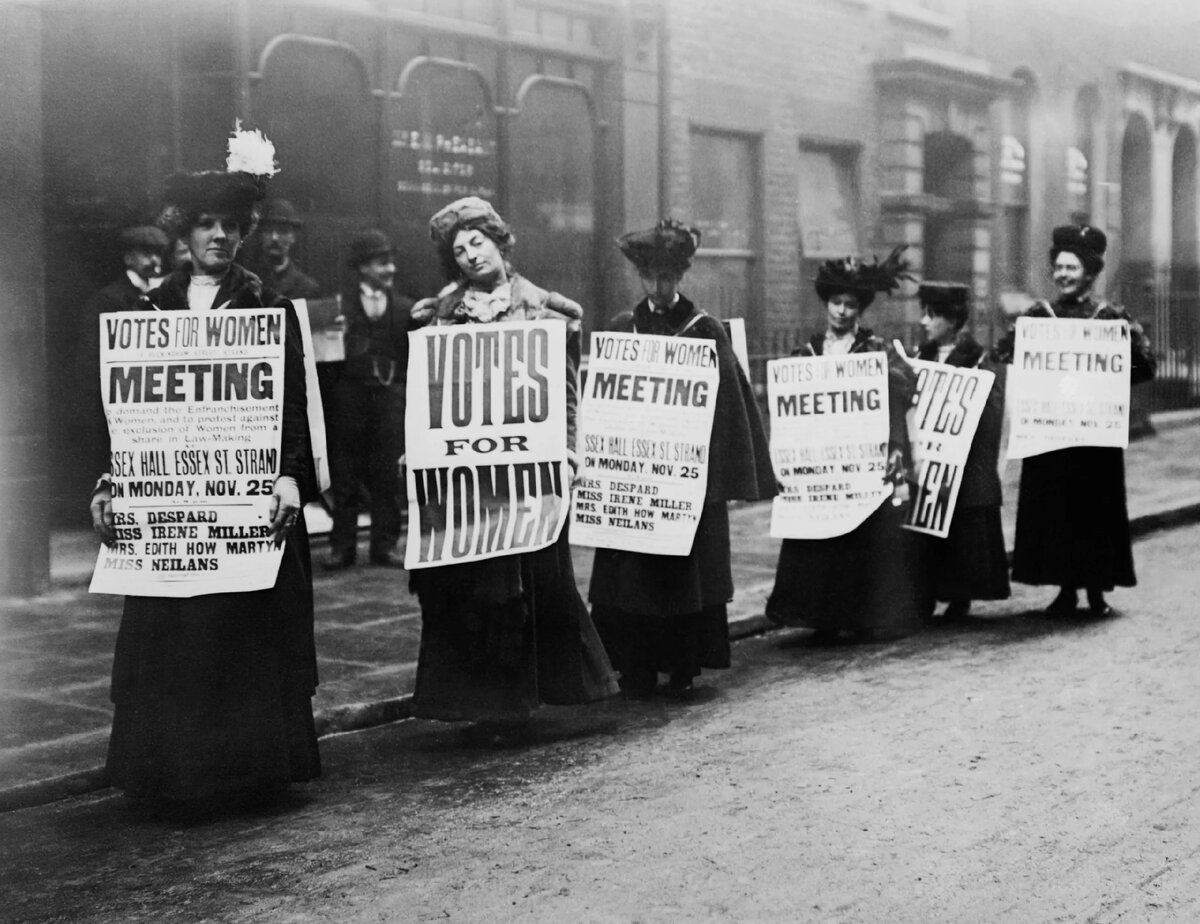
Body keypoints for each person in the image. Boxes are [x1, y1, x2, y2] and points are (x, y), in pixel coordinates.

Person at [88, 127, 321, 811]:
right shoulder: (147, 311)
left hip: (245, 503)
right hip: (173, 506)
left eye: (230, 225)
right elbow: (122, 414)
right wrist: (109, 481)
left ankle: (245, 774)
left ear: (245, 233)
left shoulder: (268, 309)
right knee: (176, 635)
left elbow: (294, 408)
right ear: (182, 234)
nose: (218, 236)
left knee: (240, 634)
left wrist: (290, 477)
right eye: (205, 224)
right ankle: (171, 771)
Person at [407, 196, 617, 737]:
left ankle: (533, 697)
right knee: (472, 586)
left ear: (500, 243)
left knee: (534, 582)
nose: (471, 255)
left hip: (530, 474)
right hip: (467, 478)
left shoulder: (547, 313)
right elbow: (429, 393)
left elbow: (566, 394)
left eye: (478, 242)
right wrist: (418, 443)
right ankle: (485, 703)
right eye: (459, 250)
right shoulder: (443, 314)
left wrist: (570, 449)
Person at [588, 219, 776, 696]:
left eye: (669, 278)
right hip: (635, 478)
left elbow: (731, 410)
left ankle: (682, 666)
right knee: (634, 578)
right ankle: (635, 667)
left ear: (682, 277)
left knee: (681, 578)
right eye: (651, 278)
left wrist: (709, 474)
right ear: (641, 279)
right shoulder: (621, 329)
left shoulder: (705, 331)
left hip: (686, 483)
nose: (660, 287)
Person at [993, 224, 1156, 618]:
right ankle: (1065, 589)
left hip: (1094, 438)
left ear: (1090, 271)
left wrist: (1115, 368)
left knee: (1094, 509)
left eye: (1072, 267)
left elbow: (1145, 365)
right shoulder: (1038, 315)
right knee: (1057, 510)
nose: (1063, 274)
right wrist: (1023, 345)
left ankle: (1097, 589)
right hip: (1051, 434)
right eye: (1059, 267)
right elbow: (1005, 351)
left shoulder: (1111, 318)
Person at [765, 249, 924, 642]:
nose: (841, 311)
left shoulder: (875, 351)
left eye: (850, 304)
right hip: (820, 464)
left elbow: (906, 388)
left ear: (860, 309)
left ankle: (860, 615)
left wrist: (888, 379)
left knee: (861, 537)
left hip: (860, 464)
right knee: (821, 540)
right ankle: (821, 616)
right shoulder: (807, 353)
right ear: (826, 304)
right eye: (836, 303)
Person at [915, 281, 1010, 621]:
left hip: (964, 460)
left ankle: (959, 594)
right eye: (924, 313)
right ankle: (924, 592)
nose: (925, 322)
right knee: (922, 525)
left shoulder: (979, 358)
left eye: (933, 315)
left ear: (953, 321)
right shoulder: (920, 355)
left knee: (960, 528)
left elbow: (990, 410)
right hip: (928, 455)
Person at [323, 229, 413, 570]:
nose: (389, 269)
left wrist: (400, 391)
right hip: (350, 399)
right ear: (362, 268)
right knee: (344, 475)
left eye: (391, 262)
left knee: (388, 475)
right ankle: (342, 547)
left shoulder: (405, 308)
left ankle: (384, 546)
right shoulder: (338, 307)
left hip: (389, 400)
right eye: (381, 263)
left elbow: (411, 357)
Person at [74, 225, 169, 479]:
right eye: (146, 253)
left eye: (158, 254)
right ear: (128, 258)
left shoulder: (167, 296)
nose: (154, 260)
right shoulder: (106, 301)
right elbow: (90, 370)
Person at [242, 197, 322, 300]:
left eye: (282, 231)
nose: (274, 238)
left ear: (293, 237)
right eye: (268, 231)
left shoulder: (307, 288)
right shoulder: (244, 283)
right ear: (260, 235)